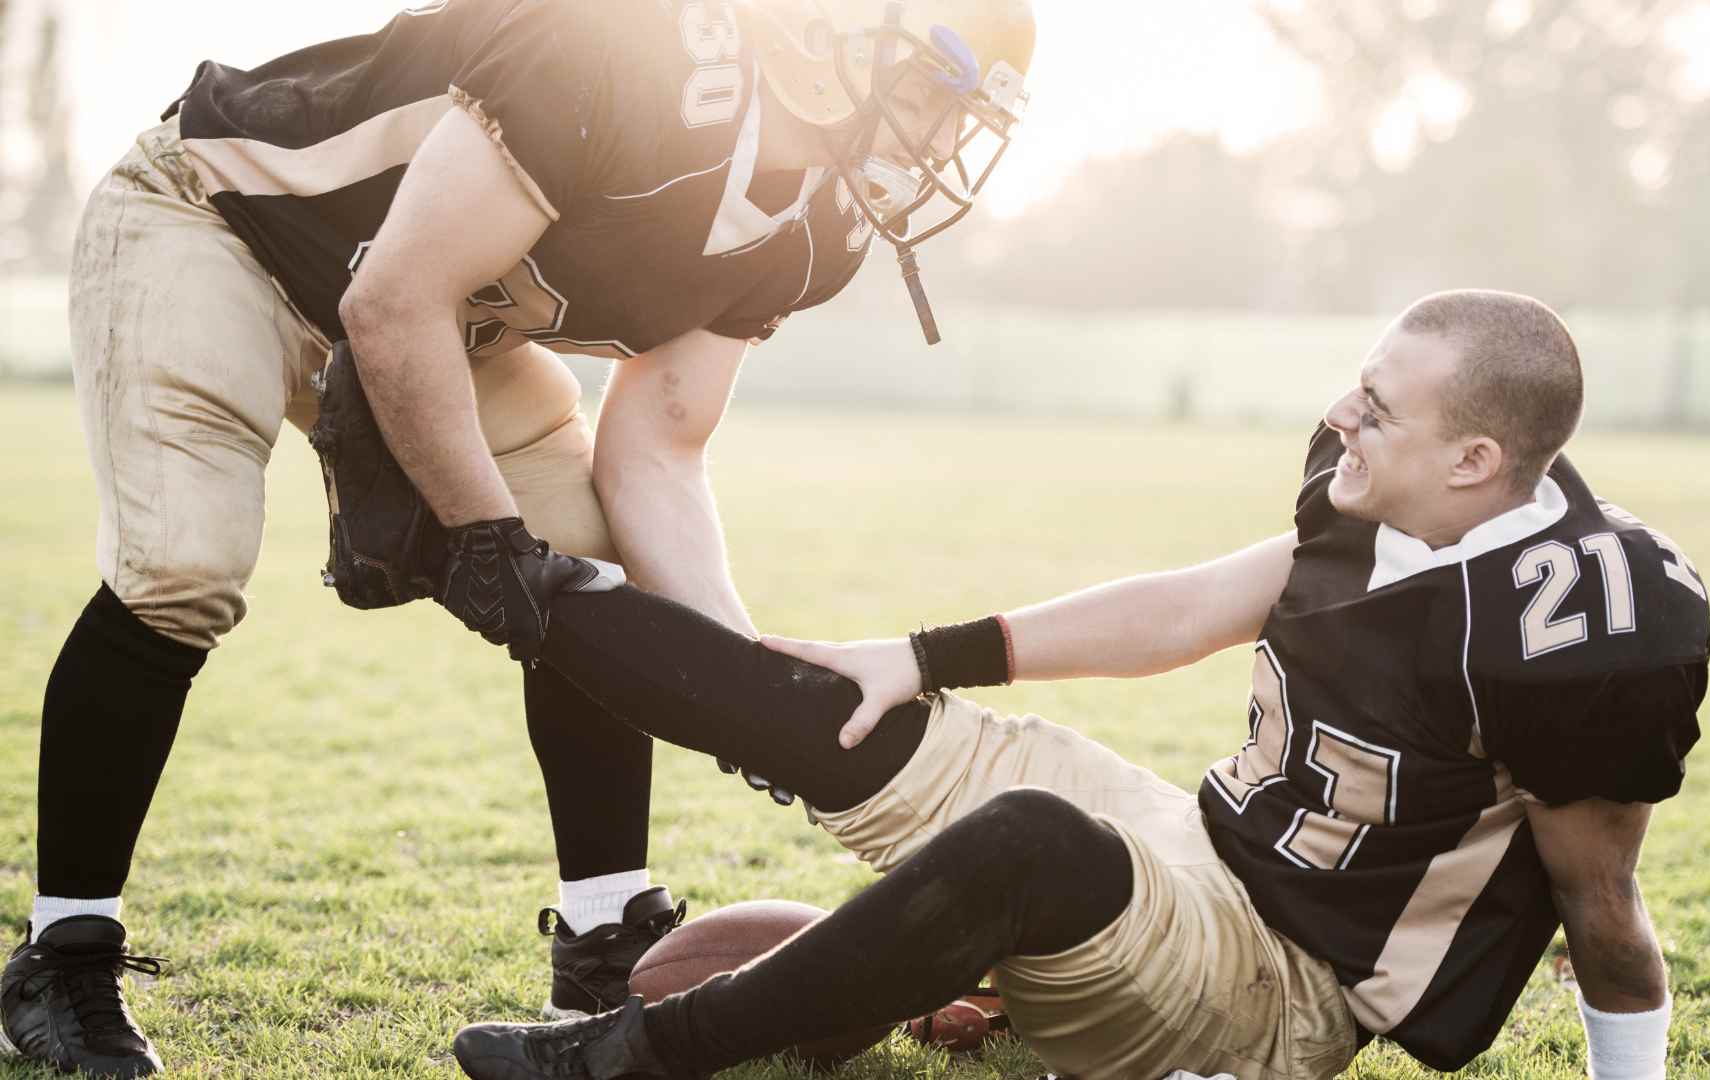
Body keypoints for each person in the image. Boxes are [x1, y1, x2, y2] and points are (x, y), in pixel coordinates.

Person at [0, 1, 1036, 1075]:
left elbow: (657, 454)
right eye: (929, 85)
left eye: (956, 114)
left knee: (583, 565)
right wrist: (483, 534)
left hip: (433, 317)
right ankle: (63, 950)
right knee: (184, 567)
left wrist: (749, 686)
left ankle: (603, 930)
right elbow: (394, 298)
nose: (930, 137)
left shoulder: (818, 230)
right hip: (226, 226)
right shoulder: (632, 52)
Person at [442, 290, 1710, 1080]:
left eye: (1378, 406)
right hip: (1198, 845)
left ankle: (632, 1054)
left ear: (1476, 461)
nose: (1340, 414)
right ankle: (457, 552)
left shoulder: (1579, 625)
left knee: (1031, 844)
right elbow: (1182, 611)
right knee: (846, 698)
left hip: (1281, 994)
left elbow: (1602, 902)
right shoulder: (1372, 494)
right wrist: (922, 657)